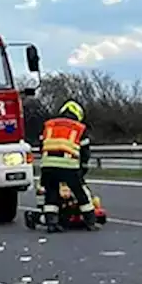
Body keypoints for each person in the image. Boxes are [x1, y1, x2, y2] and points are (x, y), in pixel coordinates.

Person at [39, 99, 96, 231]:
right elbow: (85, 151)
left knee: (51, 194)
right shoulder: (79, 127)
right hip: (69, 165)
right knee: (80, 193)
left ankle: (51, 223)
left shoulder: (49, 124)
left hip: (48, 165)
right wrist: (83, 168)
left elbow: (42, 145)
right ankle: (90, 221)